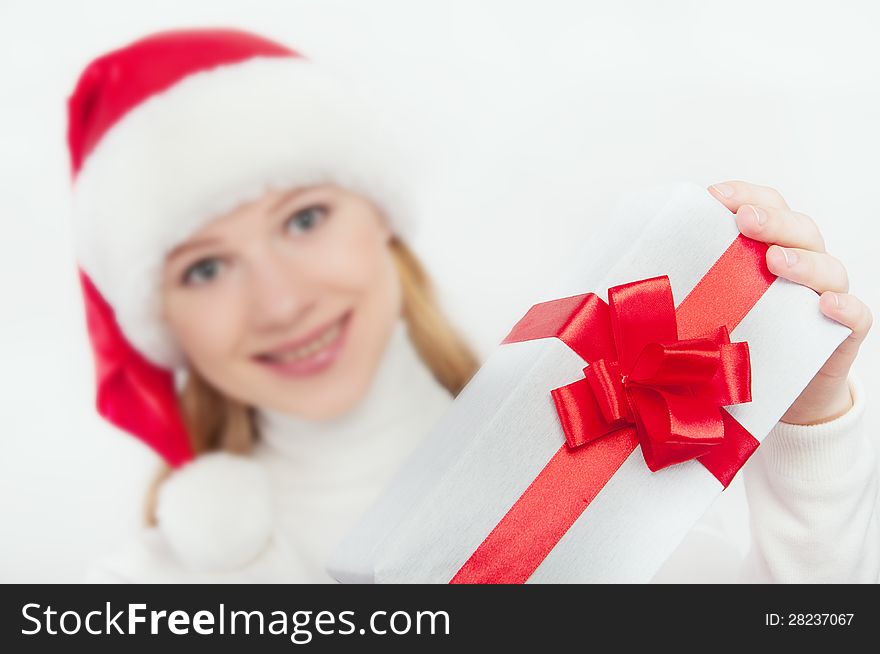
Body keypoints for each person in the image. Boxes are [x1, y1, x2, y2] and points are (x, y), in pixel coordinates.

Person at [67, 28, 877, 583]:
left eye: (305, 219)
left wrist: (811, 429)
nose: (280, 301)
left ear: (380, 219)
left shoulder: (575, 456)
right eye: (205, 269)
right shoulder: (144, 586)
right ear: (159, 319)